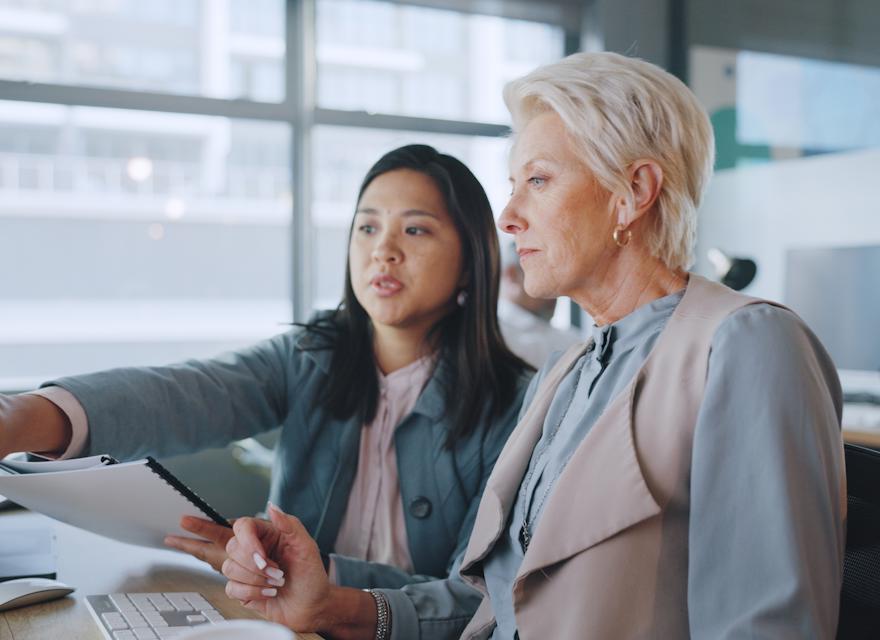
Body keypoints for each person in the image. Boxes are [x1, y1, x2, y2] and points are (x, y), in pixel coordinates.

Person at [215, 52, 846, 640]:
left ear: (634, 192)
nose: (508, 216)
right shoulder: (569, 370)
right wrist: (330, 603)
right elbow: (493, 598)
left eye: (538, 181)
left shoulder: (747, 343)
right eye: (514, 184)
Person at [0, 144, 532, 602]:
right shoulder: (308, 357)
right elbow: (188, 394)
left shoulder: (518, 405)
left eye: (415, 229)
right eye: (367, 226)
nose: (383, 251)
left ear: (470, 259)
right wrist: (26, 415)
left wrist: (322, 577)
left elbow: (473, 595)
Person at [497, 240, 582, 368]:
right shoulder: (495, 337)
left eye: (557, 275)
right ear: (512, 275)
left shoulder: (574, 340)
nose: (556, 289)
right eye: (546, 273)